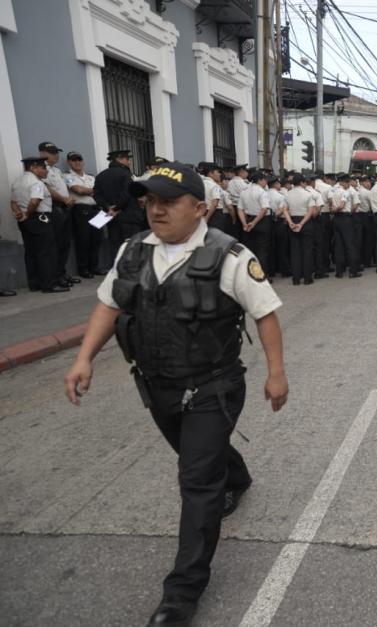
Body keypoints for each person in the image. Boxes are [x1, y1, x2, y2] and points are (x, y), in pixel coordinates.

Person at [63, 162, 288, 627]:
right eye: (149, 201)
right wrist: (83, 358)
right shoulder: (131, 252)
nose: (156, 210)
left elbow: (265, 313)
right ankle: (237, 476)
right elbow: (109, 304)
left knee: (196, 481)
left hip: (214, 384)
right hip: (156, 385)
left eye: (169, 202)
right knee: (199, 456)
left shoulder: (229, 256)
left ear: (200, 208)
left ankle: (181, 594)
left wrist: (276, 374)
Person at [12, 157, 66, 293]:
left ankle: (34, 283)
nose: (46, 171)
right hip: (39, 219)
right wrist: (27, 214)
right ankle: (49, 284)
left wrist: (20, 214)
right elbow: (35, 201)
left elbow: (13, 202)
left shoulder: (17, 182)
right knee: (46, 253)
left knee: (31, 253)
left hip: (24, 221)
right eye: (43, 168)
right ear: (33, 168)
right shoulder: (37, 183)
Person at [39, 142, 78, 288]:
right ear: (43, 153)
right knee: (57, 243)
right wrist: (64, 199)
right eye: (52, 152)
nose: (56, 155)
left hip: (65, 207)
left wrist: (70, 198)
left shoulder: (57, 170)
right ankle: (56, 275)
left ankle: (62, 272)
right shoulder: (43, 170)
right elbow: (47, 189)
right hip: (55, 207)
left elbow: (70, 184)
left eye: (57, 152)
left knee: (65, 243)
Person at [94, 149, 141, 263]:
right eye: (127, 159)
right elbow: (128, 193)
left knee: (114, 245)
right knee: (131, 245)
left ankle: (115, 270)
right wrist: (116, 208)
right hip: (128, 216)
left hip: (111, 217)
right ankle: (130, 270)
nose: (129, 162)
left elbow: (96, 195)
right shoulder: (126, 174)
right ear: (119, 159)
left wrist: (108, 208)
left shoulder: (101, 175)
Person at [64, 151, 103, 279]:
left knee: (96, 240)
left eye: (79, 159)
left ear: (83, 161)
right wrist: (94, 191)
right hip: (82, 211)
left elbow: (100, 192)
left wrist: (91, 192)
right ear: (69, 162)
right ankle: (83, 269)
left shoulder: (91, 177)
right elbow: (79, 190)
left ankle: (94, 267)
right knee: (83, 240)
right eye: (73, 160)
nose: (77, 162)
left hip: (96, 209)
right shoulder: (68, 176)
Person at [285, 174, 318, 285]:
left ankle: (296, 278)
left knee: (295, 251)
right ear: (303, 182)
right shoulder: (308, 194)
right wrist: (302, 223)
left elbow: (285, 210)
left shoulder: (287, 194)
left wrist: (290, 223)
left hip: (293, 220)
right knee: (307, 250)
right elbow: (311, 212)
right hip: (306, 222)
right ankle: (307, 278)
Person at [238, 172, 273, 275]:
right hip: (261, 221)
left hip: (248, 220)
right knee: (262, 250)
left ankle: (252, 274)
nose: (266, 182)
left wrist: (245, 223)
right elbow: (264, 209)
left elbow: (240, 209)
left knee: (251, 249)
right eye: (265, 180)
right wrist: (254, 222)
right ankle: (262, 275)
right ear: (260, 180)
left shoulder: (244, 192)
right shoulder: (262, 192)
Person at [329, 173, 361, 278]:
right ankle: (353, 271)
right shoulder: (345, 192)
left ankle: (339, 272)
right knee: (350, 245)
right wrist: (339, 210)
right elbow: (343, 206)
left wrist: (333, 210)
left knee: (338, 246)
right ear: (343, 182)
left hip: (336, 219)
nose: (349, 185)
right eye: (348, 182)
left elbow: (330, 202)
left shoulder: (332, 190)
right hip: (345, 218)